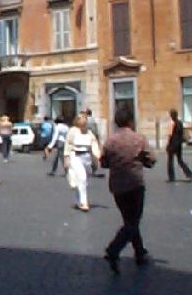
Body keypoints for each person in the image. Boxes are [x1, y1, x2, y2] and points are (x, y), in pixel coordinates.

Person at [101, 107, 153, 274]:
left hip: (117, 186)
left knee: (129, 219)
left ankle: (139, 252)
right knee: (133, 221)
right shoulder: (139, 138)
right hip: (135, 184)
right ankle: (113, 249)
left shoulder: (110, 141)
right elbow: (151, 160)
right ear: (131, 121)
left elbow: (104, 163)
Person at [64, 114, 101, 212]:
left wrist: (97, 156)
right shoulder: (72, 131)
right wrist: (66, 158)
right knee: (82, 177)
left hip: (87, 157)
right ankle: (84, 202)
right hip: (75, 156)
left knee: (84, 181)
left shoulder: (89, 133)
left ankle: (78, 201)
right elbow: (68, 144)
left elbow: (94, 144)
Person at [166, 109, 192, 182]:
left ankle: (171, 177)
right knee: (180, 160)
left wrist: (167, 144)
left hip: (172, 144)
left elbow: (170, 135)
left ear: (171, 115)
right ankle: (190, 174)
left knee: (170, 161)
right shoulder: (180, 123)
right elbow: (182, 133)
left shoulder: (172, 123)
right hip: (179, 144)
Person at [85, 108, 104, 177]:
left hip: (89, 138)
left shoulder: (87, 120)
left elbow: (87, 129)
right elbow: (96, 130)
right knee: (93, 153)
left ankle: (92, 169)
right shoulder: (93, 120)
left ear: (87, 113)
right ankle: (93, 169)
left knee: (90, 154)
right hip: (93, 137)